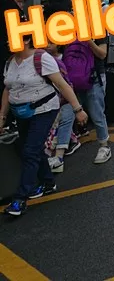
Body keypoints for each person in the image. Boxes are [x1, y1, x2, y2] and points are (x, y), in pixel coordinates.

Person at [1, 35, 88, 216]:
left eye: (12, 37)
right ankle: (48, 182)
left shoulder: (41, 58)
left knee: (30, 151)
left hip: (44, 110)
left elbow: (62, 84)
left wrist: (77, 109)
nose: (8, 42)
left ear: (26, 40)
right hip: (21, 112)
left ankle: (20, 199)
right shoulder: (10, 62)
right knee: (32, 148)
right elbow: (8, 89)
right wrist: (2, 116)